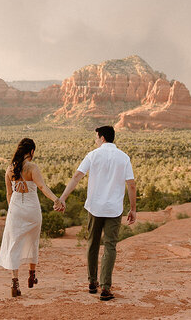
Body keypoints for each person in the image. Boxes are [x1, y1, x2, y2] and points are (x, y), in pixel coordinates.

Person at [57, 126, 136, 301]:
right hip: (114, 209)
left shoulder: (92, 155)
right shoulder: (124, 158)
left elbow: (77, 176)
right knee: (110, 246)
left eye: (96, 137)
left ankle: (92, 282)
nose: (95, 140)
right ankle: (106, 288)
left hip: (95, 207)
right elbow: (131, 185)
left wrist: (63, 198)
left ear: (101, 138)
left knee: (92, 244)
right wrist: (133, 209)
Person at [0, 138, 64, 297]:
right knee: (33, 241)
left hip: (16, 209)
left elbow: (9, 193)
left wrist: (12, 210)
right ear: (31, 151)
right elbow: (42, 187)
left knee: (14, 244)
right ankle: (32, 275)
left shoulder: (9, 169)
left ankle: (15, 282)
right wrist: (56, 200)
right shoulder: (32, 167)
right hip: (32, 210)